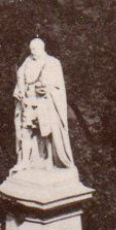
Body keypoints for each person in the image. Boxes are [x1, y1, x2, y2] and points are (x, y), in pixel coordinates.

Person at [13, 37, 76, 173]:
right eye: (31, 49)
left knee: (46, 132)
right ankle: (24, 162)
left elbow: (58, 86)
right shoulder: (27, 62)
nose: (32, 52)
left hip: (44, 103)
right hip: (28, 102)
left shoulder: (52, 63)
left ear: (42, 48)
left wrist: (47, 89)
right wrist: (19, 91)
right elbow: (20, 78)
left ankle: (49, 160)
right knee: (26, 131)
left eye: (35, 49)